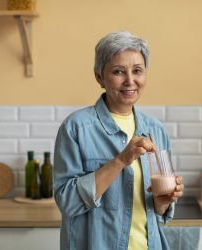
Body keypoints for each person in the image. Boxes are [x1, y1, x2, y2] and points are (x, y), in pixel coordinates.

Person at [54, 31, 184, 250]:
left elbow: (156, 213)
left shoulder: (155, 130)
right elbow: (67, 202)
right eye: (118, 72)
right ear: (99, 77)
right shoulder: (76, 128)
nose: (130, 81)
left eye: (137, 71)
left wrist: (162, 202)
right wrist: (121, 160)